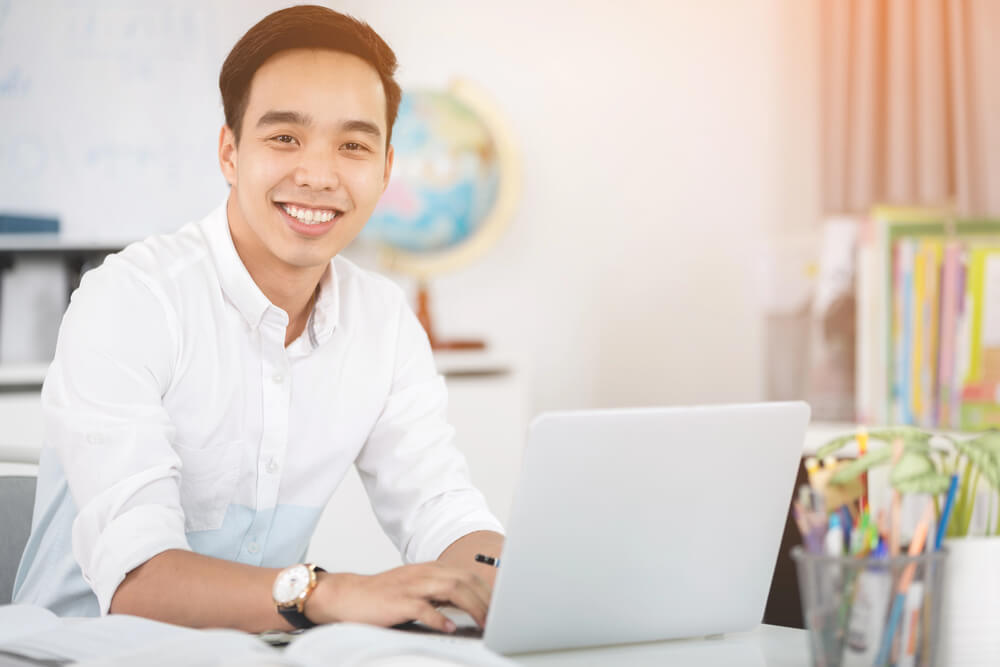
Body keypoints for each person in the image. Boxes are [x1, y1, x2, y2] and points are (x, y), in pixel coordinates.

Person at [13, 5, 504, 635]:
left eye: (353, 146)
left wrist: (500, 581)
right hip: (75, 650)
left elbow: (443, 509)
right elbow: (139, 582)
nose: (318, 175)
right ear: (230, 152)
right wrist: (328, 595)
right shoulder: (131, 300)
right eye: (284, 138)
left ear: (384, 171)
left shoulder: (381, 322)